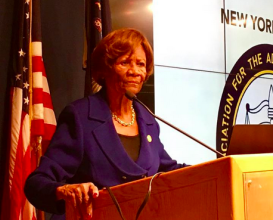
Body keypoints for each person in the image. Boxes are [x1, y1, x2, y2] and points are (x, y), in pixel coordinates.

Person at [24, 28, 187, 220]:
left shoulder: (147, 119)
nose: (135, 71)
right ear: (106, 68)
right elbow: (37, 183)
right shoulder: (81, 116)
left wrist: (222, 166)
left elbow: (167, 170)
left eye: (141, 64)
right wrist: (65, 190)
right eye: (125, 63)